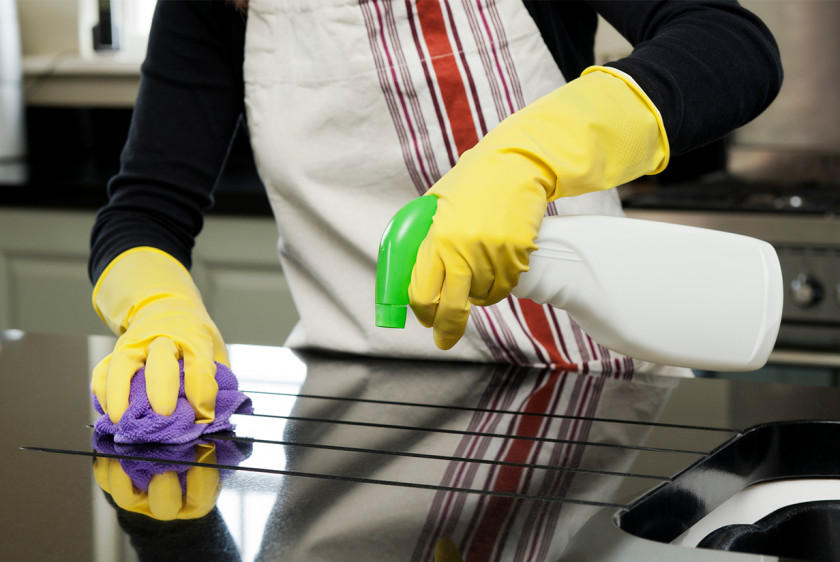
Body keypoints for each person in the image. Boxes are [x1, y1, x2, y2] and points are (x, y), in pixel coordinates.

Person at [89, 0, 782, 424]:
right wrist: (157, 311)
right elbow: (146, 210)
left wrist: (531, 156)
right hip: (358, 427)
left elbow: (727, 42)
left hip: (601, 398)